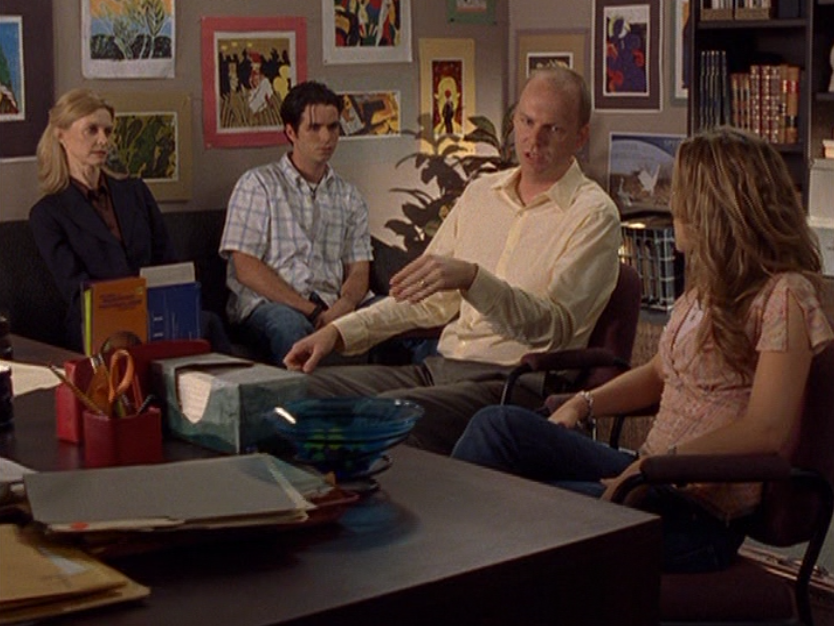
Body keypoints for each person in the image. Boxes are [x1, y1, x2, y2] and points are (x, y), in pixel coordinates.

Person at [451, 126, 834, 573]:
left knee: (523, 504)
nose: (672, 205)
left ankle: (447, 583)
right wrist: (582, 403)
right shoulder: (706, 288)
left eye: (682, 195)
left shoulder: (784, 296)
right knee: (496, 426)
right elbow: (658, 374)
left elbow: (766, 429)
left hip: (696, 513)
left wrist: (652, 467)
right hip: (651, 477)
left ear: (715, 208)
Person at [284, 67, 622, 455]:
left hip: (515, 385)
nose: (534, 139)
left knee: (380, 419)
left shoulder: (593, 215)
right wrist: (337, 332)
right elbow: (425, 298)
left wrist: (474, 279)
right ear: (514, 120)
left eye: (554, 129)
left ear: (580, 137)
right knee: (300, 392)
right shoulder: (481, 194)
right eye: (527, 122)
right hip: (442, 368)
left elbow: (553, 329)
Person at [28, 88, 231, 354]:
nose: (103, 140)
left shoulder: (135, 192)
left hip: (158, 310)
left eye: (108, 131)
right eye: (92, 130)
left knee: (209, 323)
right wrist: (130, 307)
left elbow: (167, 260)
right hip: (99, 324)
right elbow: (76, 291)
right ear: (61, 135)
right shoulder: (47, 214)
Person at [219, 80, 373, 365]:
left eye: (333, 127)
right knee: (290, 328)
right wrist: (311, 310)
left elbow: (359, 268)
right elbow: (246, 268)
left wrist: (345, 305)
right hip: (271, 304)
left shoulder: (349, 196)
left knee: (398, 314)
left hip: (332, 301)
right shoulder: (258, 185)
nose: (326, 138)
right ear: (291, 132)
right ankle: (304, 394)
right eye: (314, 128)